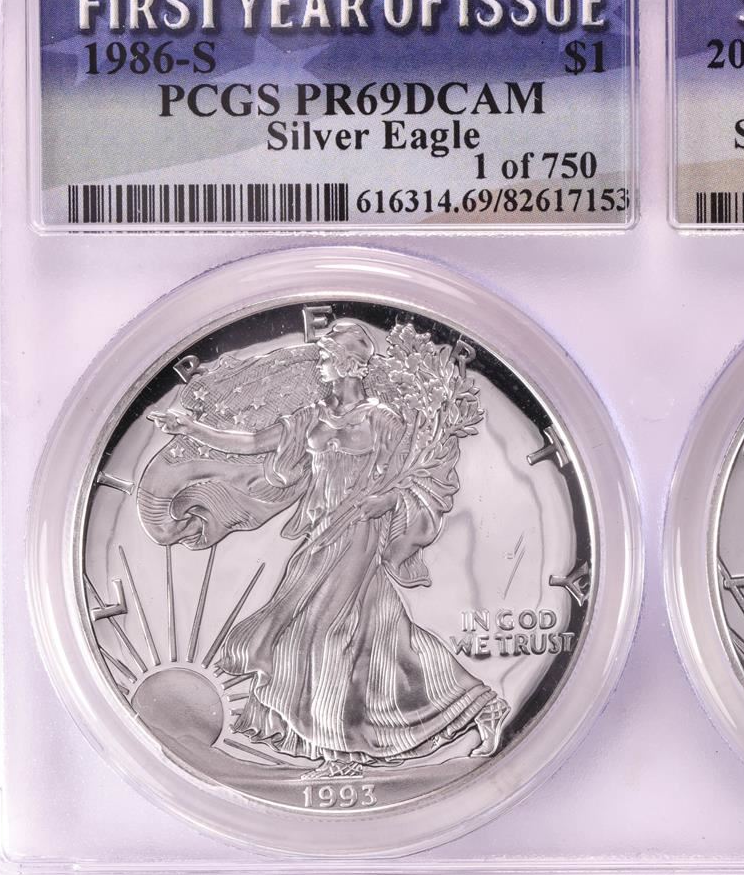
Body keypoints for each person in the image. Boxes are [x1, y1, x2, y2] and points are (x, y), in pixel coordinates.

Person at [150, 319, 507, 777]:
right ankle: (478, 706)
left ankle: (340, 750)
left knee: (324, 631)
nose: (319, 363)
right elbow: (253, 443)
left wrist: (386, 501)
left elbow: (410, 479)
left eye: (326, 356)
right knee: (382, 634)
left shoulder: (383, 420)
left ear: (351, 363)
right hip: (320, 534)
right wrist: (192, 428)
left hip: (360, 531)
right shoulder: (312, 417)